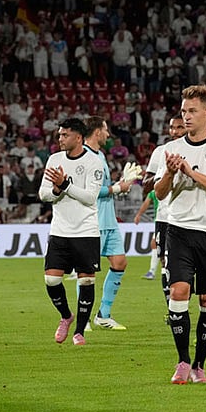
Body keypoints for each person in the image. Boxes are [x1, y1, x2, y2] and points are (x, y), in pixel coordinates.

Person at [154, 84, 206, 385]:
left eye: (192, 111)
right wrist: (169, 174)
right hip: (179, 230)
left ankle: (200, 364)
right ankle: (182, 361)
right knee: (178, 292)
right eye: (183, 111)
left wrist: (190, 172)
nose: (186, 117)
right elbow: (160, 194)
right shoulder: (171, 149)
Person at [39, 118, 104, 346]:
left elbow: (90, 198)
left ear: (78, 137)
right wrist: (57, 189)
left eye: (64, 135)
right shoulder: (54, 159)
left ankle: (79, 332)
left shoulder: (93, 163)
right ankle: (66, 316)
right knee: (51, 279)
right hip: (60, 230)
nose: (60, 139)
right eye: (59, 135)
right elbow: (43, 194)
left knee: (86, 281)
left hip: (86, 230)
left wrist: (65, 185)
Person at [81, 116, 137, 331]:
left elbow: (103, 186)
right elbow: (89, 191)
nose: (107, 134)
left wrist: (121, 184)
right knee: (87, 271)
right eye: (105, 130)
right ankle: (84, 318)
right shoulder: (84, 156)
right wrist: (116, 188)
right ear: (96, 132)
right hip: (92, 220)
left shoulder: (100, 155)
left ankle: (103, 314)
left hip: (109, 219)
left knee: (119, 263)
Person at [141, 115, 185, 307]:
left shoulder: (195, 150)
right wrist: (163, 176)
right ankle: (171, 307)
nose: (175, 131)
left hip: (188, 216)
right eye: (172, 127)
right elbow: (145, 185)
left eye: (180, 127)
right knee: (166, 263)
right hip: (165, 216)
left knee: (187, 265)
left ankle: (182, 302)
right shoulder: (161, 152)